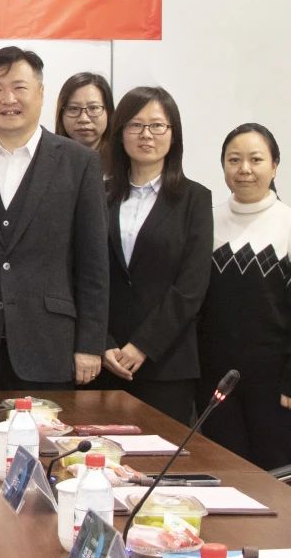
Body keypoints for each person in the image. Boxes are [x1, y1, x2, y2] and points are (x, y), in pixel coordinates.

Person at [0, 46, 109, 390]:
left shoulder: (79, 163)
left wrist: (90, 344)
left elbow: (93, 262)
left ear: (41, 93)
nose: (8, 99)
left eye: (19, 87)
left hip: (50, 344)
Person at [199, 124, 291, 470]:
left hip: (276, 386)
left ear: (275, 166)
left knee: (274, 478)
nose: (245, 169)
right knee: (224, 475)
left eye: (256, 160)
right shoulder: (208, 222)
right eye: (234, 160)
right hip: (216, 382)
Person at [99, 87, 211, 424]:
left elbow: (191, 286)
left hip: (167, 363)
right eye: (135, 125)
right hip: (105, 361)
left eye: (157, 125)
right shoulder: (99, 195)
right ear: (120, 134)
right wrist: (103, 342)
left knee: (161, 454)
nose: (146, 134)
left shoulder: (194, 199)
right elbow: (83, 274)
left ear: (173, 134)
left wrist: (143, 346)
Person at [55, 72, 114, 154]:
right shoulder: (46, 157)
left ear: (109, 112)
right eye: (74, 108)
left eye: (93, 108)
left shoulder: (124, 159)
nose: (84, 119)